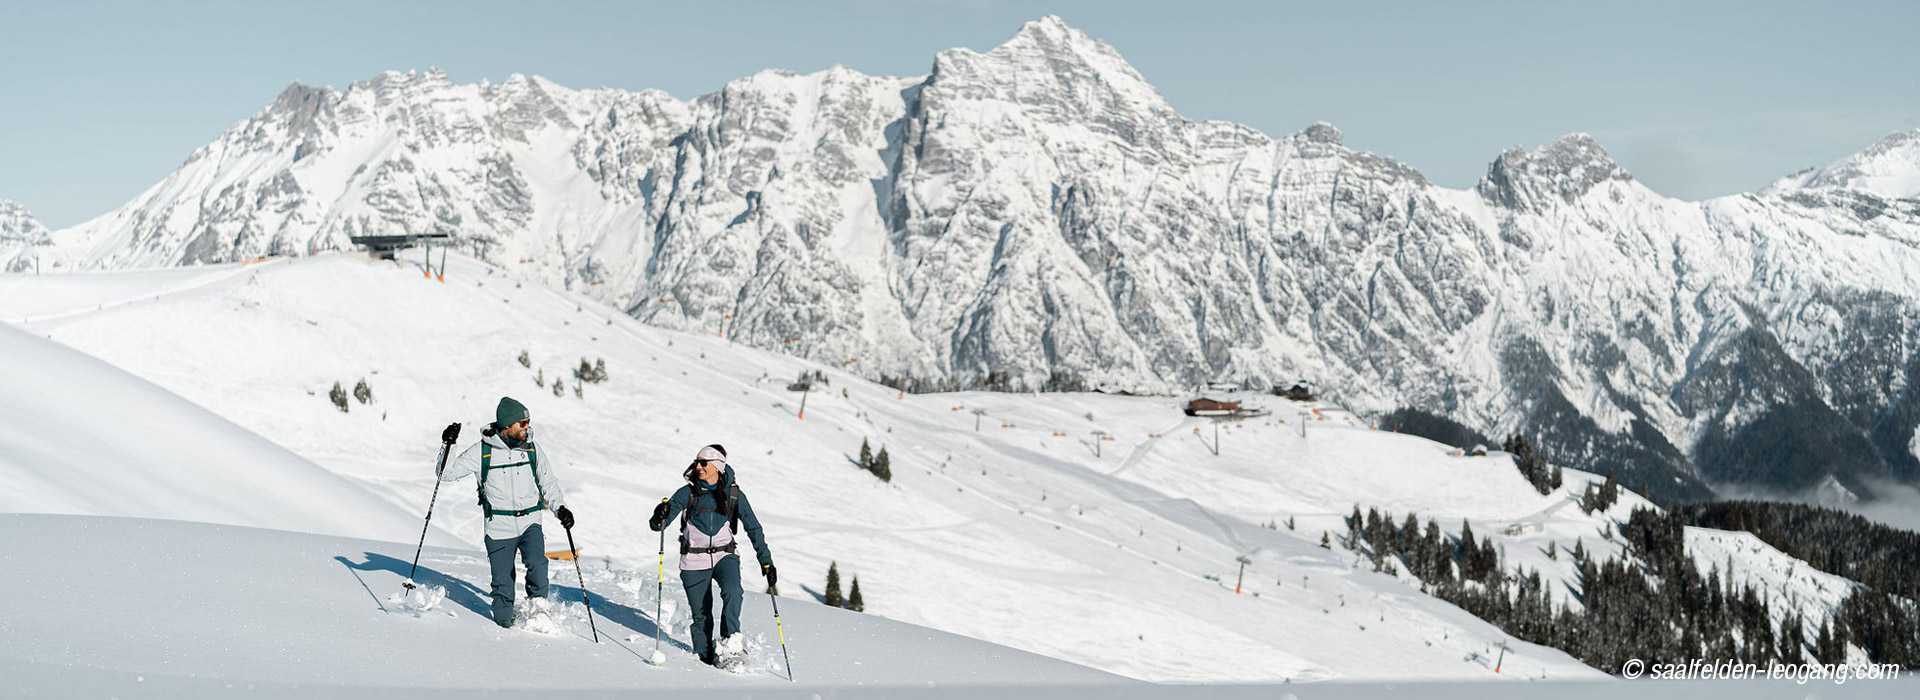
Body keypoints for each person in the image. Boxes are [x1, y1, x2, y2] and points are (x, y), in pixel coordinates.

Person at [437, 396, 575, 628]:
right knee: (502, 588)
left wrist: (560, 508)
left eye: (528, 422)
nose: (527, 427)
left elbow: (547, 482)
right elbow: (446, 473)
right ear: (507, 425)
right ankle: (505, 629)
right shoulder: (482, 451)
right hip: (499, 527)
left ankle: (538, 608)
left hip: (530, 521)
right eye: (523, 423)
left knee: (538, 564)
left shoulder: (532, 448)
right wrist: (447, 445)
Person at [649, 444, 775, 667]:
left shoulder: (733, 494)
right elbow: (659, 525)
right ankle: (704, 659)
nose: (698, 466)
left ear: (717, 466)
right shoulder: (686, 493)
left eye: (703, 462)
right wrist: (659, 515)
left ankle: (731, 645)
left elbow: (753, 527)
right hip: (693, 560)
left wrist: (766, 561)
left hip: (724, 554)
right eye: (697, 462)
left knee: (733, 592)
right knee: (702, 615)